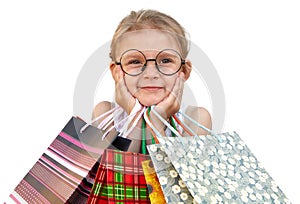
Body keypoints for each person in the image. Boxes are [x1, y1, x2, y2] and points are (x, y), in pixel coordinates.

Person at [92, 9, 212, 153]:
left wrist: (156, 122)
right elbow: (115, 174)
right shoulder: (106, 114)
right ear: (117, 72)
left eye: (165, 60)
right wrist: (136, 119)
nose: (150, 73)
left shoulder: (196, 119)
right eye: (135, 61)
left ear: (184, 71)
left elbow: (174, 175)